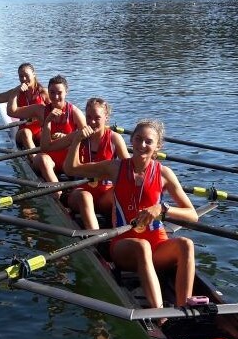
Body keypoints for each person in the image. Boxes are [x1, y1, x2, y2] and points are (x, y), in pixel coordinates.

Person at [64, 119, 199, 308]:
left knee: (186, 244)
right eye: (138, 139)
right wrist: (77, 140)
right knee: (142, 246)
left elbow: (193, 214)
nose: (142, 145)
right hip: (123, 244)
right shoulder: (116, 167)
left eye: (148, 141)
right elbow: (71, 168)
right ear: (131, 141)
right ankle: (161, 317)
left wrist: (163, 208)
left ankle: (185, 308)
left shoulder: (164, 174)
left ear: (157, 147)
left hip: (157, 244)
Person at [62, 98, 129, 230]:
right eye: (89, 117)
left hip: (105, 198)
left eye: (97, 118)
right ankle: (96, 239)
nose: (92, 122)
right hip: (80, 193)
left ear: (106, 118)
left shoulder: (115, 138)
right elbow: (68, 169)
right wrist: (76, 140)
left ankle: (126, 228)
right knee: (85, 196)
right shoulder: (80, 136)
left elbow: (129, 171)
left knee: (121, 191)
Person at [10, 75, 85, 190]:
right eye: (52, 92)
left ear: (66, 92)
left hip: (68, 161)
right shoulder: (41, 110)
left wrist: (67, 138)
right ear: (48, 92)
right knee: (42, 159)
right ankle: (57, 191)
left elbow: (88, 139)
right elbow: (12, 111)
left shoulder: (75, 112)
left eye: (59, 93)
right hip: (48, 161)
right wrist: (16, 92)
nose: (55, 97)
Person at [0, 63, 49, 149]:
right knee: (26, 133)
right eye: (21, 76)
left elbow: (55, 111)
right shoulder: (17, 92)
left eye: (26, 75)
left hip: (40, 132)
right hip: (22, 133)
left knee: (48, 134)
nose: (23, 79)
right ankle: (33, 159)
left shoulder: (44, 92)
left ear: (34, 74)